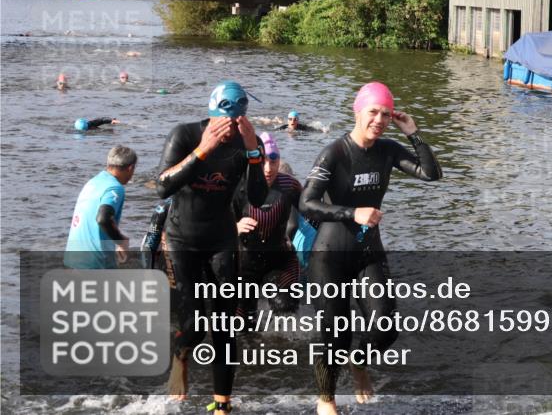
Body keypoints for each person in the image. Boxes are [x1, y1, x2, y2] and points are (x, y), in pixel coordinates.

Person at [300, 81, 442, 415]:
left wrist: (413, 133)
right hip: (329, 255)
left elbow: (431, 174)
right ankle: (326, 400)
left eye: (386, 114)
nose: (379, 119)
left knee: (386, 328)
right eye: (373, 112)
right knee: (334, 335)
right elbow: (307, 203)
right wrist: (353, 212)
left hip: (367, 252)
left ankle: (358, 362)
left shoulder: (388, 149)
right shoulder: (334, 152)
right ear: (358, 111)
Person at [155, 80, 267, 410]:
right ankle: (181, 354)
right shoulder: (185, 135)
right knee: (192, 327)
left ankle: (222, 404)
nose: (229, 129)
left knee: (223, 325)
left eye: (236, 122)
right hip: (181, 239)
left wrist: (252, 152)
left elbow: (258, 198)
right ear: (211, 113)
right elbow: (163, 186)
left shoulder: (248, 142)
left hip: (221, 239)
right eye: (225, 122)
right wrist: (202, 150)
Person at [233, 132, 303, 321]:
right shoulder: (238, 187)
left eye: (274, 161)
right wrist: (235, 226)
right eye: (263, 162)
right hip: (245, 264)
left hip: (280, 259)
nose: (268, 169)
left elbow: (313, 213)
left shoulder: (289, 185)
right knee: (243, 324)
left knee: (285, 308)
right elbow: (212, 222)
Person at [64, 145, 137, 269]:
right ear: (130, 168)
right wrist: (121, 241)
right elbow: (103, 218)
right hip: (94, 264)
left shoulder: (92, 182)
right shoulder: (115, 187)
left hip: (71, 260)